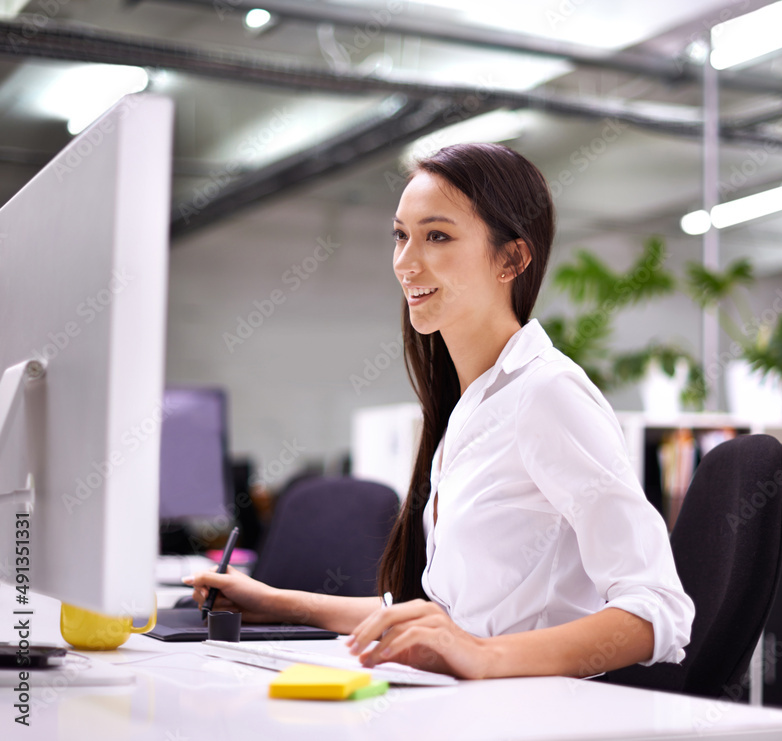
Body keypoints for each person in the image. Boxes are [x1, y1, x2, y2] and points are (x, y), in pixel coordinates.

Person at [184, 142, 694, 680]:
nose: (405, 262)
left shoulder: (549, 393)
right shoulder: (472, 406)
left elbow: (658, 609)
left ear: (512, 259)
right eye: (401, 235)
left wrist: (483, 657)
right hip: (466, 707)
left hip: (534, 715)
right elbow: (448, 621)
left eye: (438, 236)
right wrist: (277, 603)